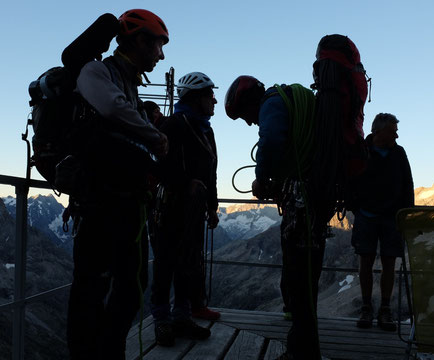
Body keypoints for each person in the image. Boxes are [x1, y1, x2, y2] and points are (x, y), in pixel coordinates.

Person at [225, 34, 368, 360]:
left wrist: (262, 179)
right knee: (307, 274)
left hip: (302, 200)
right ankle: (305, 348)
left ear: (249, 100)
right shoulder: (297, 95)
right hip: (316, 197)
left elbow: (272, 140)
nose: (249, 122)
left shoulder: (272, 103)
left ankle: (301, 353)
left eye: (244, 115)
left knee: (300, 276)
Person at [66, 9, 169, 360]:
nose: (161, 54)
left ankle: (108, 352)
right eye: (157, 45)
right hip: (97, 203)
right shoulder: (96, 71)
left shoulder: (126, 82)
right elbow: (111, 108)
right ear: (139, 40)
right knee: (92, 290)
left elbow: (120, 112)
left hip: (125, 203)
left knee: (133, 285)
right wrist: (153, 135)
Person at [150, 71, 220, 346]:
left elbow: (210, 172)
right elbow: (160, 165)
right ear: (195, 98)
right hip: (170, 205)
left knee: (187, 263)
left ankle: (181, 316)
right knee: (166, 263)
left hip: (192, 209)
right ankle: (162, 320)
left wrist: (212, 206)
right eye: (209, 96)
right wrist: (186, 183)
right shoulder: (174, 125)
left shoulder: (205, 130)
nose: (213, 101)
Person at [351, 113, 414, 331]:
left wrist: (406, 214)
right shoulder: (362, 149)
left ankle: (384, 309)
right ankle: (368, 307)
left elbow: (407, 184)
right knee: (365, 263)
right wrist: (355, 207)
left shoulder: (398, 152)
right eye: (393, 130)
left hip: (391, 218)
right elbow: (350, 178)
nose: (396, 134)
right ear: (378, 132)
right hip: (366, 216)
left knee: (389, 264)